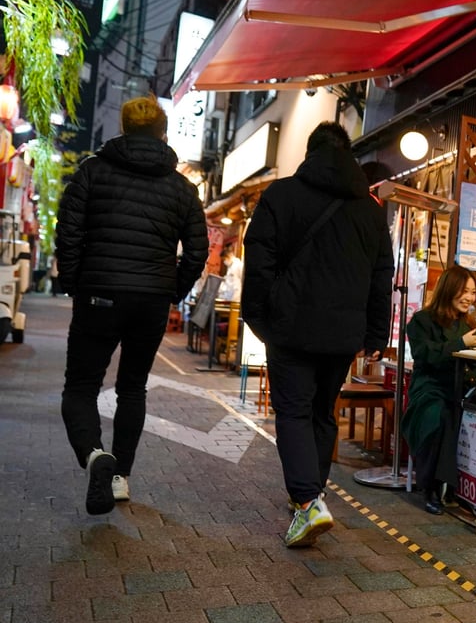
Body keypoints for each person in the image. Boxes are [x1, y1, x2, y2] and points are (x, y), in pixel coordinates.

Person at [242, 121, 394, 548]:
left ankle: (308, 501)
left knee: (292, 411)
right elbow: (383, 276)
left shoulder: (281, 196)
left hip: (290, 327)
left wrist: (257, 317)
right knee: (323, 413)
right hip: (344, 333)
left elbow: (260, 261)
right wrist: (375, 333)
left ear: (309, 154)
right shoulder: (369, 210)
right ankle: (312, 496)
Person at [56, 94, 208, 515]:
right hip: (151, 300)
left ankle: (93, 455)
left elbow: (67, 232)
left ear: (123, 129)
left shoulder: (92, 172)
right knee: (132, 388)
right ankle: (120, 476)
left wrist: (74, 282)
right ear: (162, 132)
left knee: (81, 386)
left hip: (98, 293)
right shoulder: (181, 188)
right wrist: (170, 289)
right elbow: (197, 250)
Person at [401, 265, 476, 514]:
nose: (469, 298)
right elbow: (425, 355)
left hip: (462, 391)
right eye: (464, 291)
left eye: (473, 292)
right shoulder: (421, 321)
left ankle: (471, 489)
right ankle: (432, 488)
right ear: (449, 289)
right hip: (428, 390)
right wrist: (461, 344)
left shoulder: (469, 324)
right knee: (439, 415)